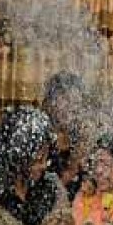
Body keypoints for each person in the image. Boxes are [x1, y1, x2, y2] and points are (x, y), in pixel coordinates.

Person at [41, 71, 88, 203]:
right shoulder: (41, 139)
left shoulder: (79, 138)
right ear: (50, 102)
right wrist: (73, 168)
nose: (71, 108)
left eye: (75, 101)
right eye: (65, 99)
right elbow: (41, 195)